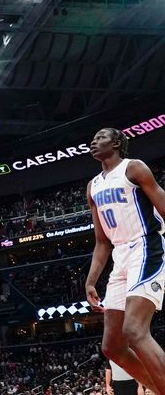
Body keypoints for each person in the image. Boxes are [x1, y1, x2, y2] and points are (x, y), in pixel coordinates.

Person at [85, 127, 165, 395]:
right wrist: (91, 280)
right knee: (112, 346)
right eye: (93, 139)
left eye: (100, 137)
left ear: (117, 142)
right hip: (120, 255)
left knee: (134, 329)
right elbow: (101, 241)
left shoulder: (134, 168)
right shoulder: (93, 186)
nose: (94, 141)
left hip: (146, 245)